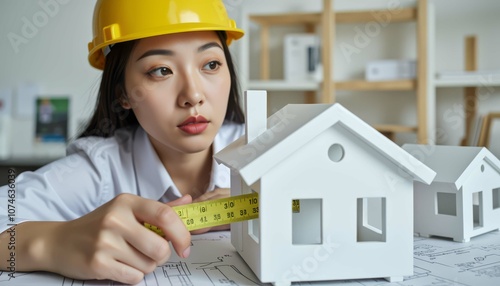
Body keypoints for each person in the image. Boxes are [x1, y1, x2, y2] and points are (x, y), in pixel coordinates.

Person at [0, 0, 245, 284]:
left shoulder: (261, 145)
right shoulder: (100, 167)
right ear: (122, 94)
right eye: (161, 70)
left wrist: (267, 204)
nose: (193, 94)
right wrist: (54, 243)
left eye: (211, 64)